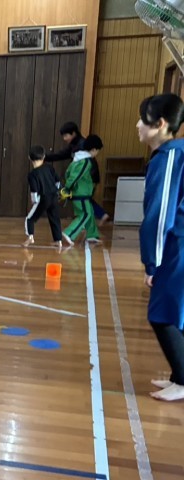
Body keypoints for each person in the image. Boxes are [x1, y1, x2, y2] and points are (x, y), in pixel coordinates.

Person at [137, 93, 184, 402]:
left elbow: (159, 216)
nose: (138, 125)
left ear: (161, 124)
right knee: (176, 312)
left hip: (178, 244)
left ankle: (183, 381)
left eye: (144, 120)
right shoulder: (176, 152)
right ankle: (179, 375)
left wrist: (151, 264)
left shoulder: (168, 158)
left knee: (162, 314)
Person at [46, 121, 110, 225]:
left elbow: (87, 163)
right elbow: (61, 155)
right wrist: (46, 157)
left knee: (83, 199)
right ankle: (99, 216)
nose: (64, 138)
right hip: (86, 177)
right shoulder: (75, 144)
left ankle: (94, 218)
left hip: (88, 177)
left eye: (66, 135)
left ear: (73, 133)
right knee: (84, 199)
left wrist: (69, 185)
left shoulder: (82, 145)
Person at [61, 135, 104, 247]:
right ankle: (69, 233)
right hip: (81, 194)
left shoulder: (76, 160)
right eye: (97, 151)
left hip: (81, 194)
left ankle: (92, 235)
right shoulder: (85, 162)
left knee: (90, 213)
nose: (97, 153)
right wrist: (68, 188)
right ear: (93, 149)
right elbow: (75, 176)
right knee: (85, 214)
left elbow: (68, 173)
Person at [23, 145, 62, 249]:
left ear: (29, 157)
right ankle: (58, 241)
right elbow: (58, 181)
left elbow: (34, 190)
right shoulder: (49, 167)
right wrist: (58, 191)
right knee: (55, 218)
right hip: (54, 196)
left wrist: (34, 201)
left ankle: (30, 237)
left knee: (30, 219)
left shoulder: (32, 174)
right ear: (44, 156)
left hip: (44, 198)